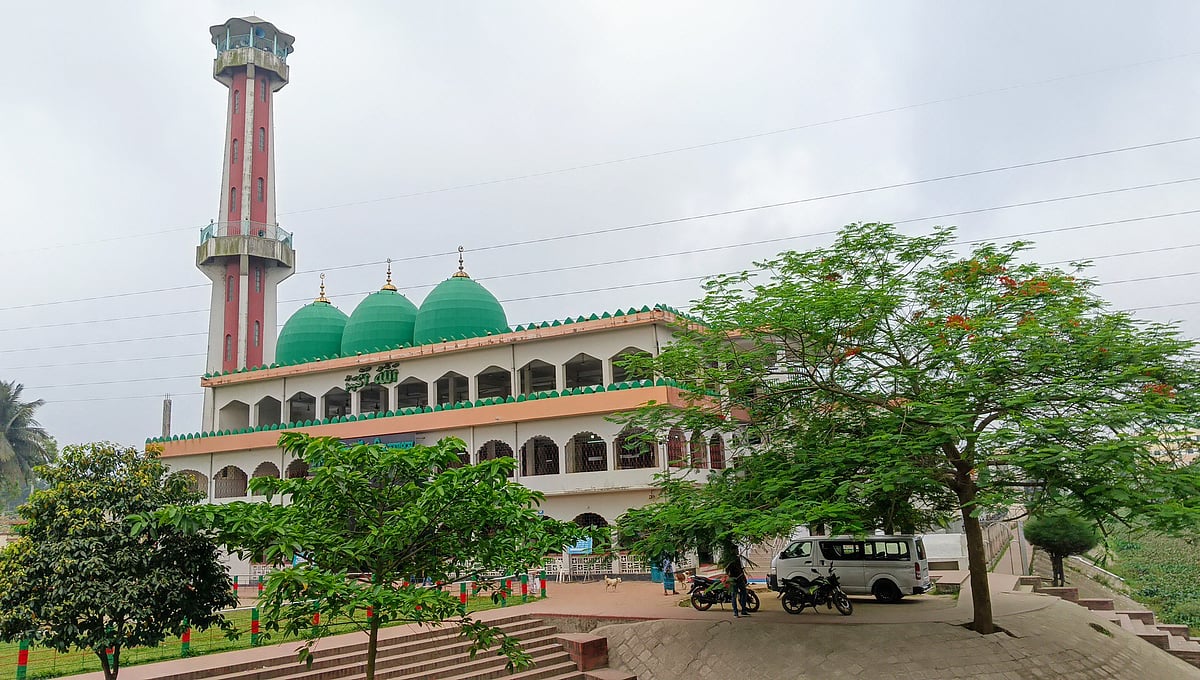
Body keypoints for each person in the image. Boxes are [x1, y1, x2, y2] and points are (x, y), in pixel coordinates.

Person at [724, 553, 750, 618]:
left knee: (744, 593)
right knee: (734, 596)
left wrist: (744, 578)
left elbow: (741, 569)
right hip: (734, 580)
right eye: (735, 550)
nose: (737, 551)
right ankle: (735, 612)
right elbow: (727, 569)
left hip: (740, 579)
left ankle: (743, 610)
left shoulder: (738, 559)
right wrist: (730, 577)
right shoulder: (730, 559)